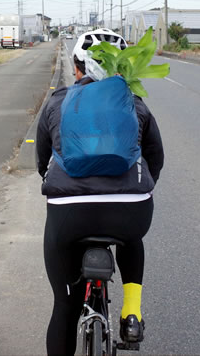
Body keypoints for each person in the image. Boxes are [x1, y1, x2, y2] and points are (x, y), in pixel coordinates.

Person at [36, 29, 164, 356]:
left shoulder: (58, 101)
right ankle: (131, 312)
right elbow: (155, 160)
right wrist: (134, 188)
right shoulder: (135, 105)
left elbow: (41, 159)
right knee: (131, 235)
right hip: (130, 209)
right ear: (120, 69)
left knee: (64, 309)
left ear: (77, 67)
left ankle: (73, 305)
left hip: (69, 211)